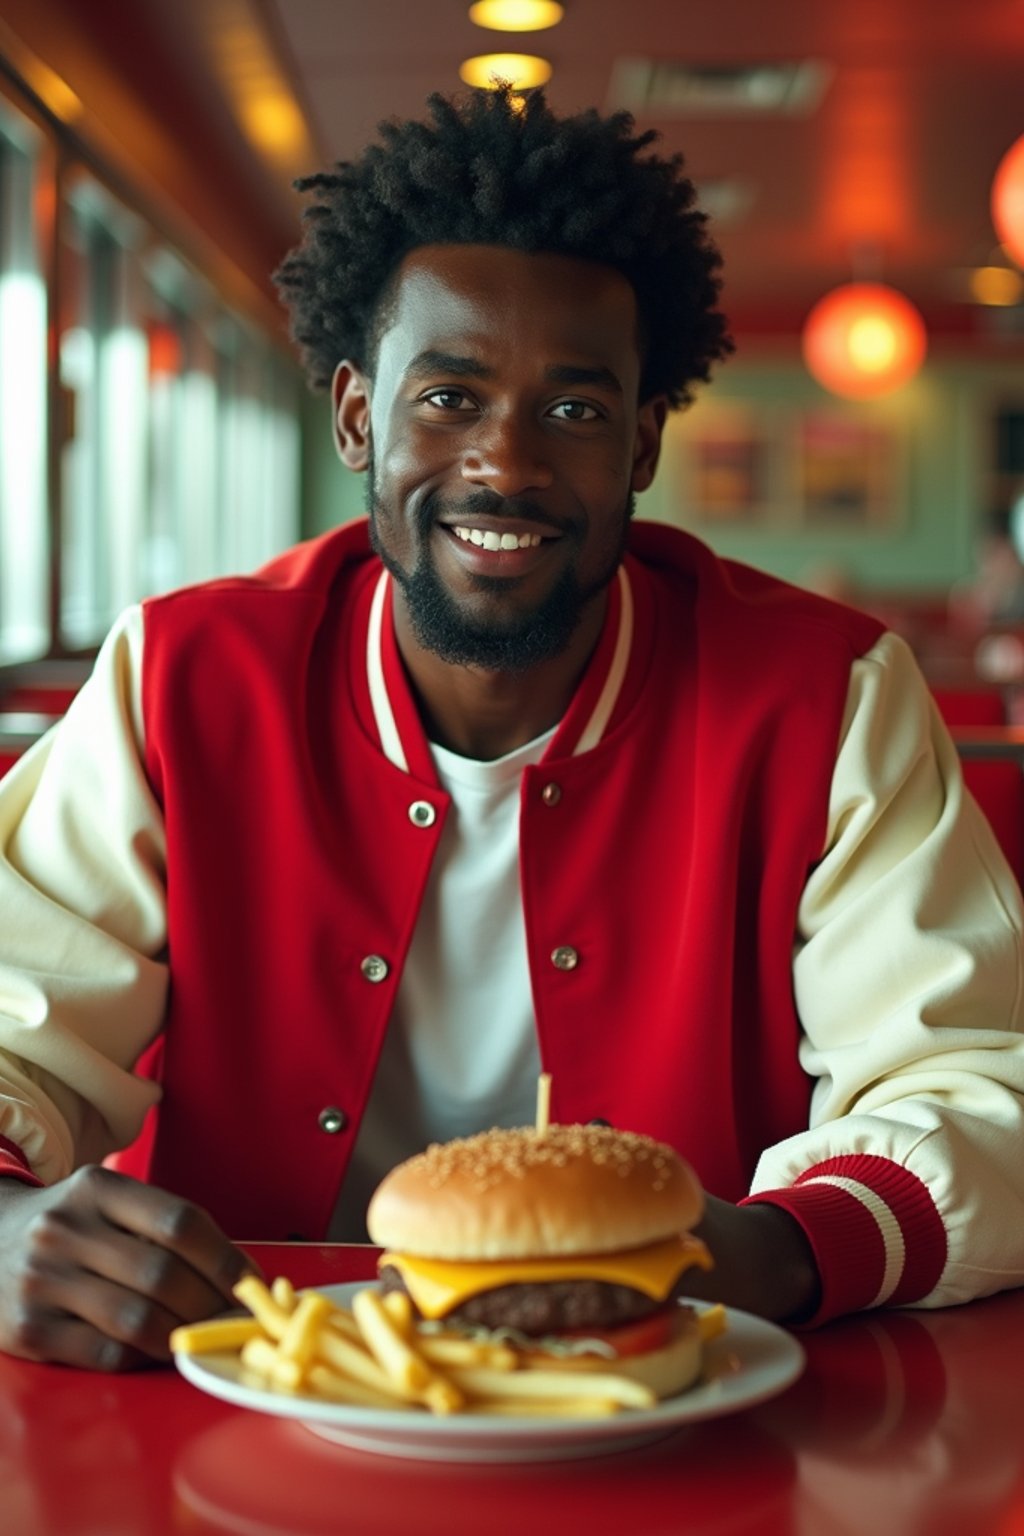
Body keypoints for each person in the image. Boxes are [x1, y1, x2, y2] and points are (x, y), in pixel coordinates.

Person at [1, 87, 1023, 1374]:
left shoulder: (830, 698)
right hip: (231, 1379)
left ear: (644, 442)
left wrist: (767, 1250)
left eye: (577, 410)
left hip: (680, 1384)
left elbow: (976, 1089)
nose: (506, 464)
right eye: (450, 398)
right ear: (357, 417)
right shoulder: (183, 676)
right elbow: (11, 1024)